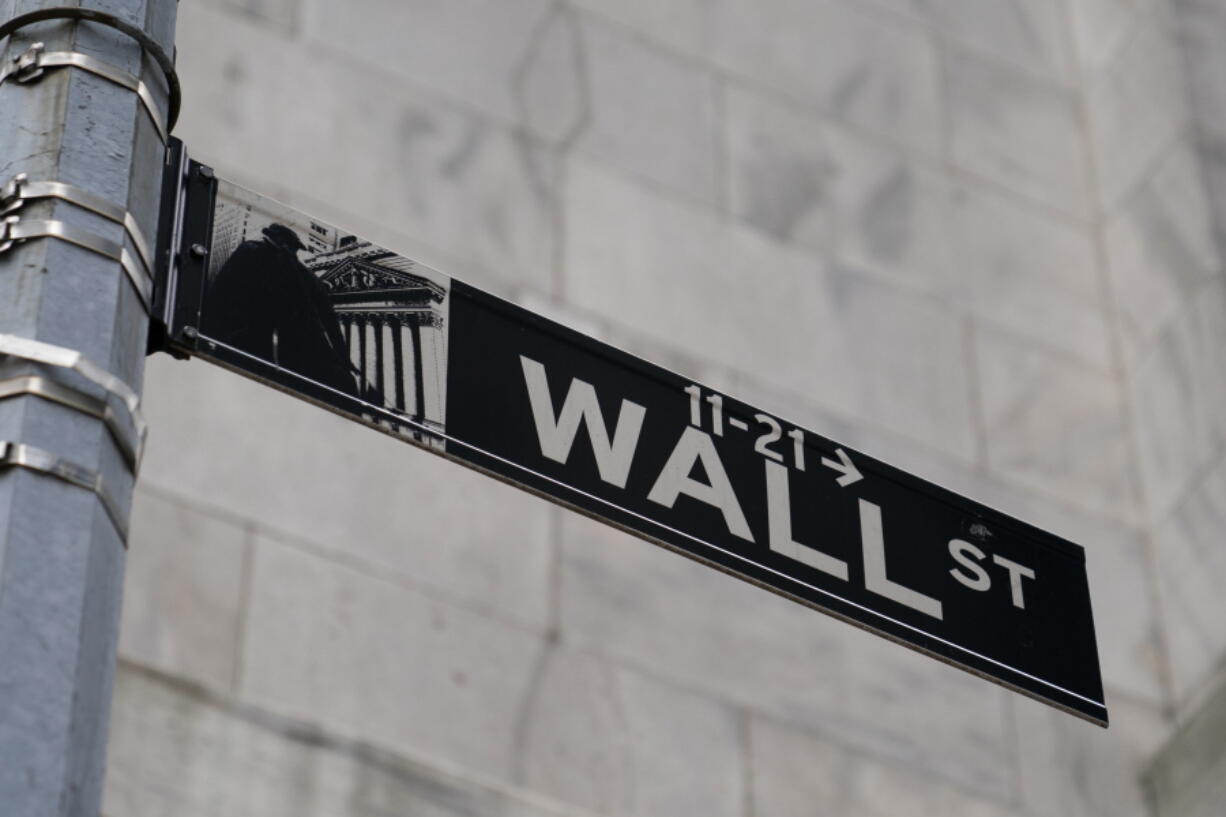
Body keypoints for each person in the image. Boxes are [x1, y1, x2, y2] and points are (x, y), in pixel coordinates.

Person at [202, 223, 365, 401]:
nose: (294, 253)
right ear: (280, 243)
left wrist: (343, 357)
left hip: (264, 345)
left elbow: (327, 315)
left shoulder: (296, 269)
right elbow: (223, 293)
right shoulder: (259, 254)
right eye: (293, 248)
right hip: (251, 341)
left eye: (295, 250)